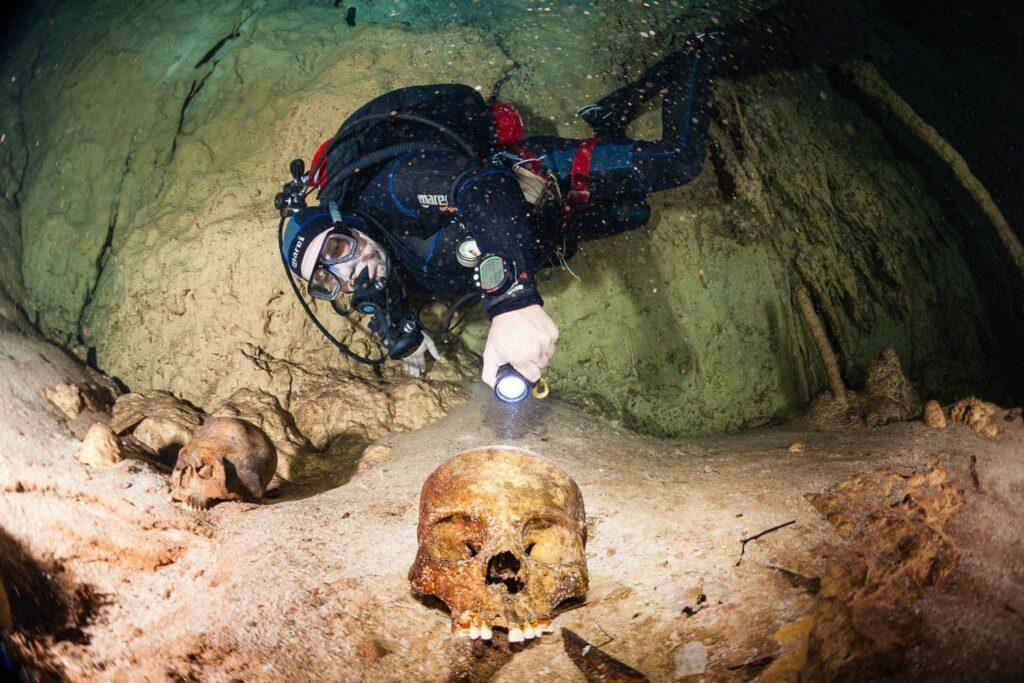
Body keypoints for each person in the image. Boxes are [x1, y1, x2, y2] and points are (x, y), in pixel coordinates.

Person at [278, 5, 851, 388]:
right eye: (325, 282)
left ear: (343, 221)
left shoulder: (391, 191)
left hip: (541, 178)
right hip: (547, 231)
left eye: (334, 252)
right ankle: (616, 110)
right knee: (636, 211)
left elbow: (482, 188)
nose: (345, 275)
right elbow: (387, 300)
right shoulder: (371, 279)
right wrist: (398, 337)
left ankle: (700, 55)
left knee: (678, 163)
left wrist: (510, 301)